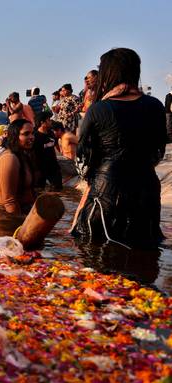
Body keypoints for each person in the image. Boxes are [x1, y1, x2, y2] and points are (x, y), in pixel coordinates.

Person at [71, 48, 167, 248]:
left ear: (108, 74)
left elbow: (82, 162)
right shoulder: (155, 106)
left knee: (98, 258)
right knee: (145, 257)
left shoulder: (98, 110)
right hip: (146, 191)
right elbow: (158, 152)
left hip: (106, 195)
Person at [0, 119, 35, 214]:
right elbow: (9, 202)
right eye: (26, 134)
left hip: (22, 212)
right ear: (15, 136)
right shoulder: (9, 159)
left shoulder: (23, 156)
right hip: (7, 219)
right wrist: (20, 225)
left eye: (32, 133)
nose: (32, 137)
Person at [33, 111, 62, 191]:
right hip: (41, 169)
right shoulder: (35, 137)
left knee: (57, 190)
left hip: (54, 167)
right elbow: (33, 155)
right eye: (49, 120)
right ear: (42, 122)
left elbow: (54, 146)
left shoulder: (51, 133)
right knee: (39, 191)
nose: (51, 121)